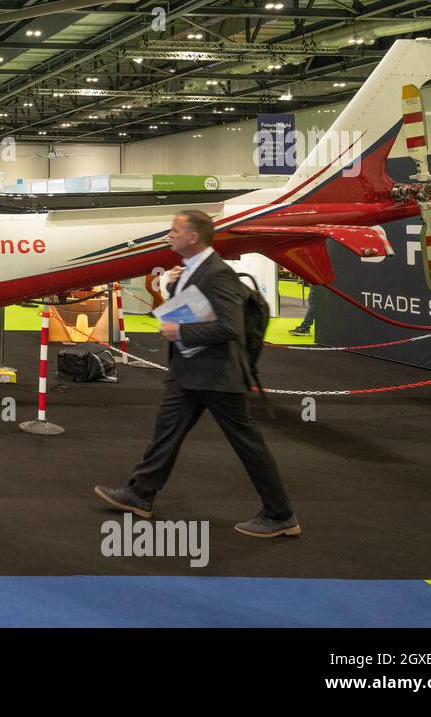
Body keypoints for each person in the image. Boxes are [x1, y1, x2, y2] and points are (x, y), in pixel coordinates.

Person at [94, 210, 300, 538]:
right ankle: (140, 493)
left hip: (217, 375)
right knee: (166, 434)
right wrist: (173, 289)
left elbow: (229, 327)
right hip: (188, 372)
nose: (169, 234)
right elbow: (193, 309)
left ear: (193, 237)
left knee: (248, 444)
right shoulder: (191, 270)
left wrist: (181, 333)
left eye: (175, 230)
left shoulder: (217, 273)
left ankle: (280, 515)